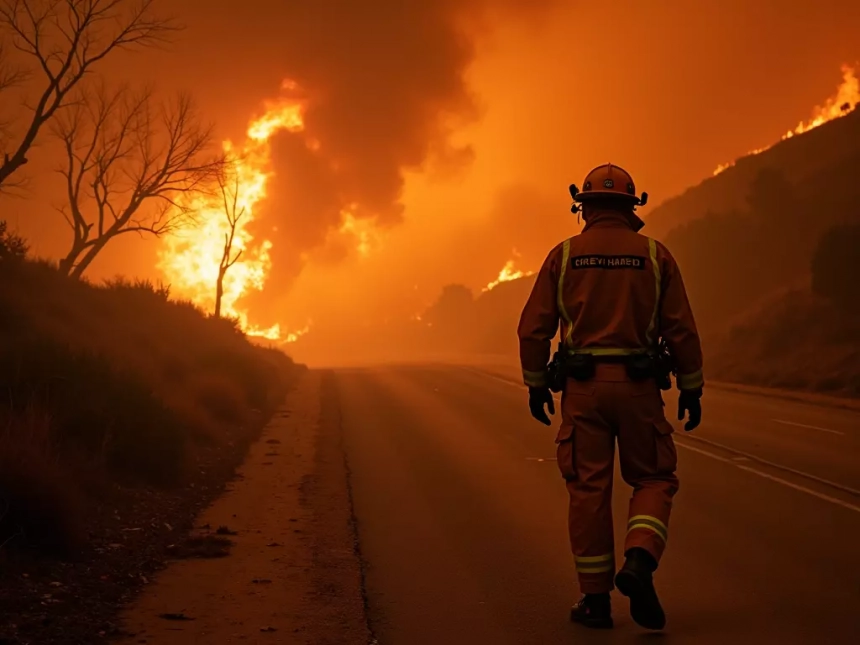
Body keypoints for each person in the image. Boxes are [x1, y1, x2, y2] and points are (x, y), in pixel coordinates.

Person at [517, 163, 704, 631]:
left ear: (583, 206)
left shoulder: (563, 257)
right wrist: (691, 387)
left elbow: (532, 328)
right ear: (631, 205)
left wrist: (537, 383)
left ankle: (595, 603)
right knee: (654, 478)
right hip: (640, 389)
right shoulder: (655, 256)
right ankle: (639, 561)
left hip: (583, 391)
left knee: (588, 491)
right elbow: (681, 328)